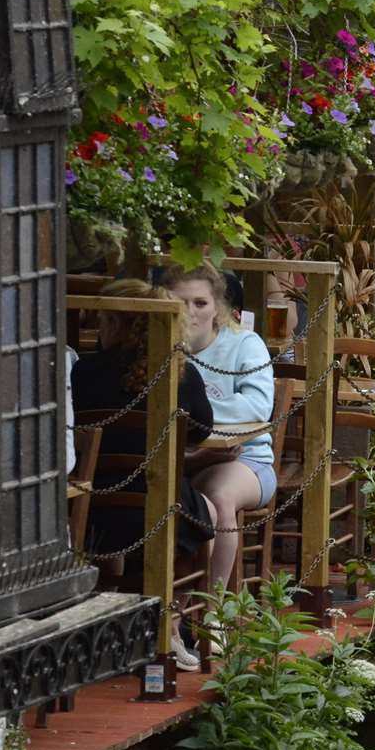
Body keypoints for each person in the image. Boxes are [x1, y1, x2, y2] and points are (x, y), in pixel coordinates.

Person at [74, 279, 218, 670]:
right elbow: (203, 428)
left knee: (186, 509)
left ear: (118, 324)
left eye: (103, 320)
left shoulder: (84, 371)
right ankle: (170, 623)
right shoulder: (178, 370)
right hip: (159, 505)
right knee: (205, 513)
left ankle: (105, 622)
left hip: (95, 506)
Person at [159, 263, 275, 595]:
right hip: (175, 459)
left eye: (200, 303)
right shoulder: (156, 343)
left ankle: (214, 611)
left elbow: (256, 407)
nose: (190, 313)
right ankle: (169, 610)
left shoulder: (245, 344)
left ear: (217, 307)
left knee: (218, 498)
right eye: (180, 303)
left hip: (242, 459)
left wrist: (194, 414)